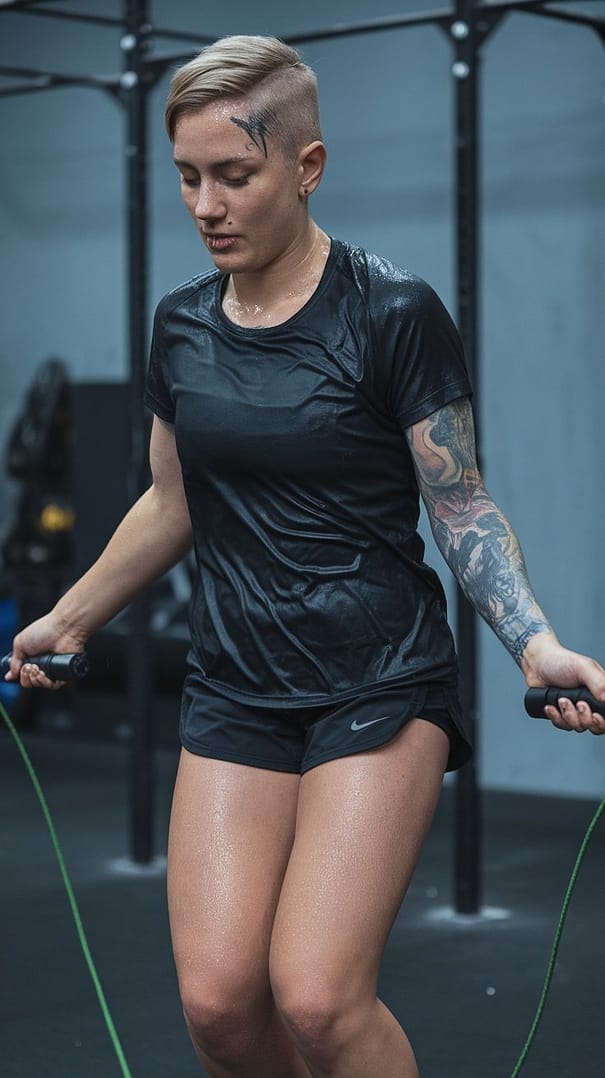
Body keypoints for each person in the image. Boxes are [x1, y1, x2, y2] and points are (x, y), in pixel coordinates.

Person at [6, 34, 605, 1078]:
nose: (206, 206)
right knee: (217, 1006)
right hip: (236, 682)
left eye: (233, 175)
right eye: (187, 177)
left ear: (306, 166)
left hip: (378, 679)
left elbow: (459, 502)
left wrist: (534, 643)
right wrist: (68, 616)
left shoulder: (391, 313)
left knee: (319, 999)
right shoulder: (181, 325)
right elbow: (171, 500)